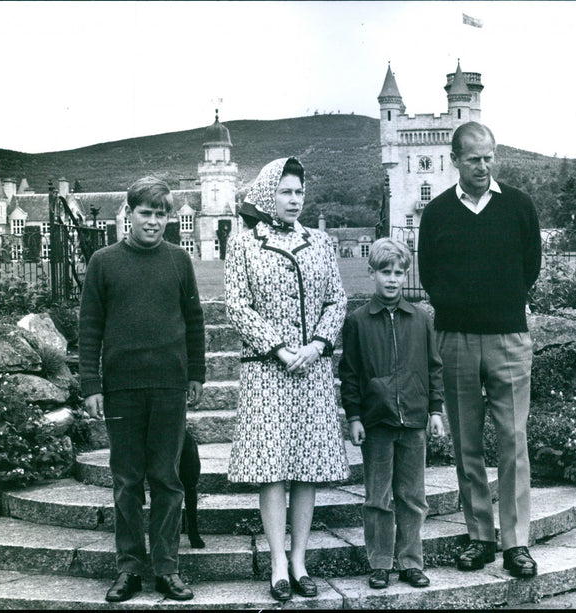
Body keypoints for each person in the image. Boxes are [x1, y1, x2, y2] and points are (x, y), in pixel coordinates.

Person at [418, 122, 542, 578]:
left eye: (489, 156)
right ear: (456, 159)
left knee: (512, 441)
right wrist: (460, 310)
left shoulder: (519, 207)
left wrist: (500, 305)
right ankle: (479, 538)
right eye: (474, 158)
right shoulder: (436, 215)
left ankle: (516, 543)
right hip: (456, 341)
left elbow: (531, 266)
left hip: (509, 338)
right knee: (467, 443)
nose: (483, 165)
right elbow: (429, 275)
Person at [225, 157, 349, 602]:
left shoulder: (319, 242)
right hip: (267, 369)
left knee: (307, 466)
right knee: (273, 468)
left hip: (312, 368)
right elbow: (237, 305)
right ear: (268, 195)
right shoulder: (243, 243)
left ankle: (300, 559)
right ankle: (278, 561)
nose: (294, 200)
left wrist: (317, 345)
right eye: (285, 192)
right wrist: (279, 348)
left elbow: (337, 300)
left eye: (299, 192)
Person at [79, 176, 205, 602]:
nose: (153, 221)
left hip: (169, 386)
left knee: (167, 479)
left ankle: (167, 569)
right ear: (129, 214)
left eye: (161, 214)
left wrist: (196, 375)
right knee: (127, 480)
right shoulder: (103, 261)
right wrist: (91, 384)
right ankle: (129, 569)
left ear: (169, 218)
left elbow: (194, 322)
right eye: (146, 213)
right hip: (121, 389)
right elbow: (89, 328)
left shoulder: (178, 261)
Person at [339, 238, 445, 590]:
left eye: (399, 272)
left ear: (406, 275)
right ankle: (380, 562)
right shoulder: (357, 321)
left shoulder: (420, 318)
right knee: (377, 497)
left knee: (413, 497)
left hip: (414, 419)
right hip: (377, 422)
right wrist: (353, 416)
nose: (393, 279)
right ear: (372, 274)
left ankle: (411, 562)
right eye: (385, 272)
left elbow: (434, 368)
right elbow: (349, 373)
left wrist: (435, 410)